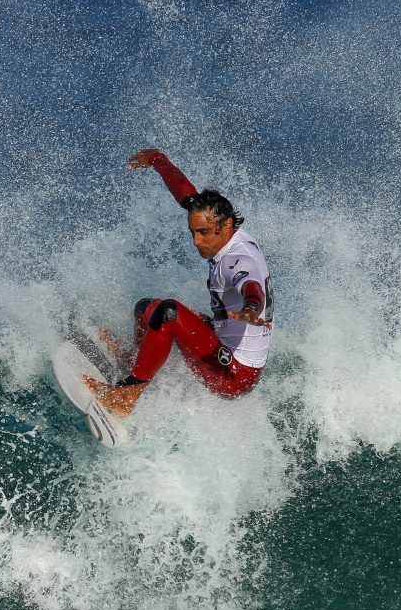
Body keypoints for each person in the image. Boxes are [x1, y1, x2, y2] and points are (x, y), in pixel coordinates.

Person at [83, 148, 274, 417]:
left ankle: (127, 395)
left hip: (234, 373)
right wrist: (159, 161)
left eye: (203, 233)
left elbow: (251, 286)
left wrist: (252, 308)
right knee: (147, 309)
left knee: (168, 313)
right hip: (223, 340)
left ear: (226, 225)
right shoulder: (231, 229)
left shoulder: (238, 260)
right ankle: (134, 366)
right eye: (193, 232)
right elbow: (188, 197)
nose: (196, 241)